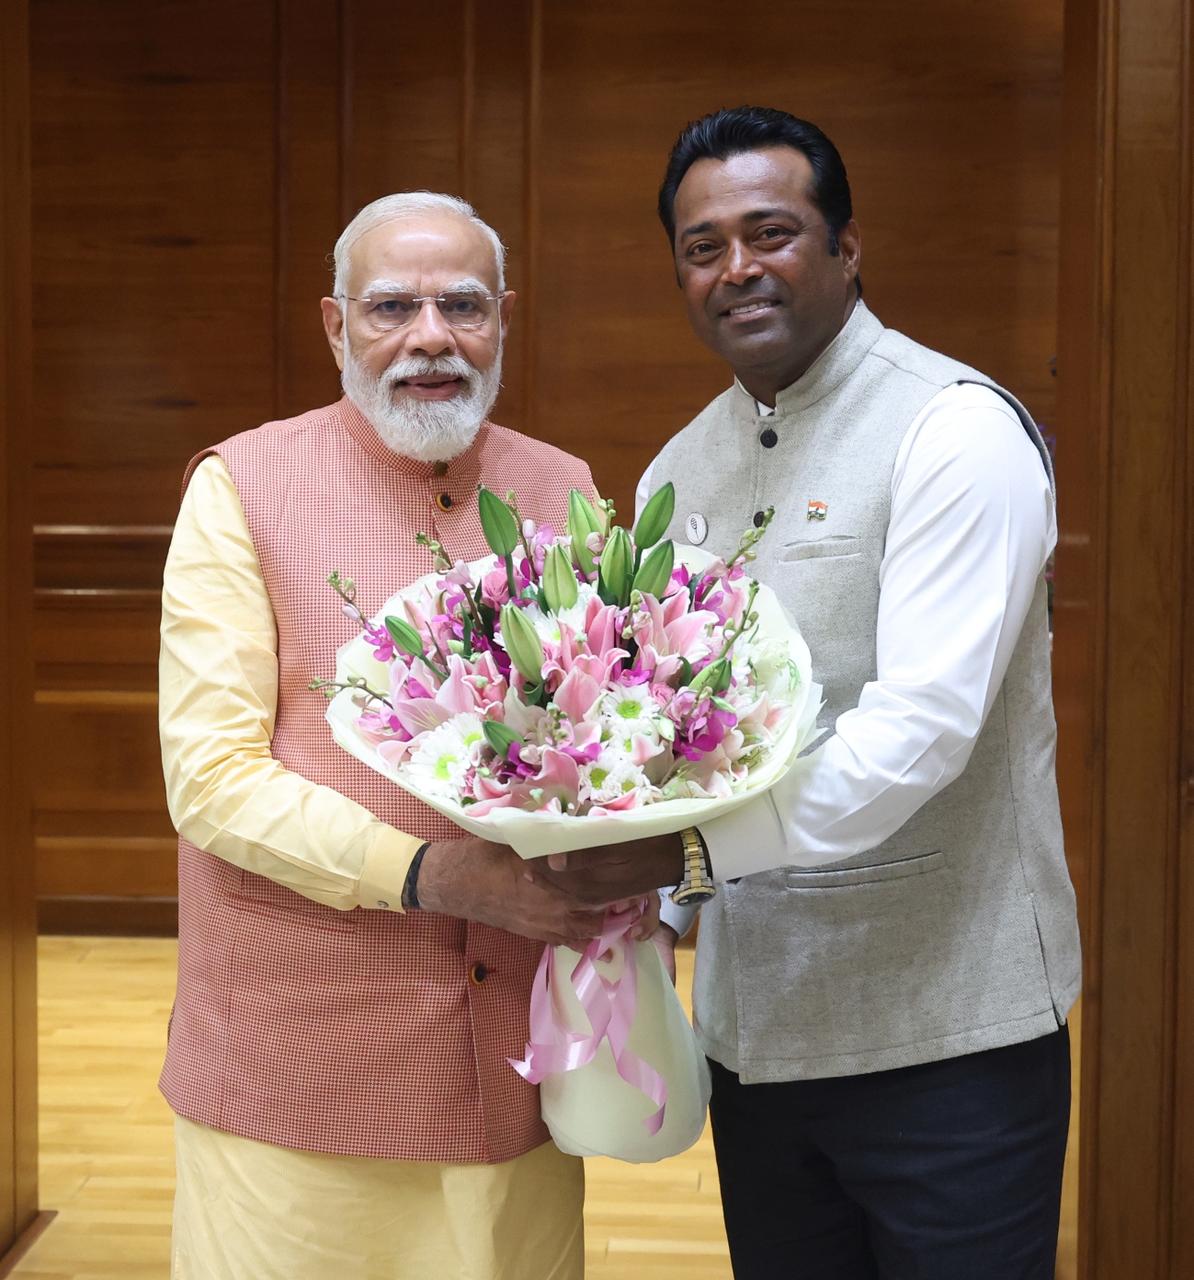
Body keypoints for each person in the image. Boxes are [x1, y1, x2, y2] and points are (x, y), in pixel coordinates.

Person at [529, 107, 1081, 1278]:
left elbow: (922, 731)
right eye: (703, 246)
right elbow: (667, 739)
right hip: (760, 1040)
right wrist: (640, 907)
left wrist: (682, 854)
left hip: (949, 1039)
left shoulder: (955, 431)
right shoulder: (678, 470)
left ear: (846, 245)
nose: (737, 267)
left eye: (770, 232)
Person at [157, 191, 625, 1279]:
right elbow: (212, 778)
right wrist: (431, 875)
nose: (430, 337)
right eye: (390, 307)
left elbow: (611, 738)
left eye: (462, 306)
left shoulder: (565, 490)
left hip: (518, 1060)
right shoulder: (242, 486)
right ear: (336, 325)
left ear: (504, 318)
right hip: (299, 1061)